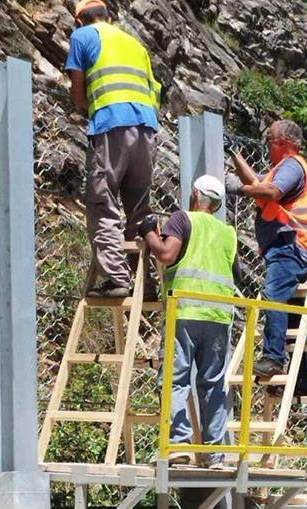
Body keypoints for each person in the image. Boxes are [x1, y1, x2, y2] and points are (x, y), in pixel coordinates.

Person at [138, 176, 237, 468]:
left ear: (195, 194)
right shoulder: (227, 233)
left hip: (185, 311)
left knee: (175, 379)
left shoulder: (183, 219)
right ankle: (214, 455)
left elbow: (167, 254)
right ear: (217, 204)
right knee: (213, 384)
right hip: (219, 315)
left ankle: (179, 445)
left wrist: (149, 234)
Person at [66, 0, 161, 297]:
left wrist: (87, 107)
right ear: (108, 16)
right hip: (146, 128)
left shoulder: (83, 36)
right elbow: (154, 89)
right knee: (139, 208)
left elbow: (78, 90)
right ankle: (146, 283)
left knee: (102, 201)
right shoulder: (134, 44)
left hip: (110, 125)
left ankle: (118, 278)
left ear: (80, 20)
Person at [225, 120, 307, 377]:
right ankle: (300, 379)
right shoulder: (282, 168)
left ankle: (273, 358)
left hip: (291, 245)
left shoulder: (292, 165)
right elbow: (260, 184)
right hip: (292, 246)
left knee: (274, 294)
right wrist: (235, 155)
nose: (266, 143)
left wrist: (238, 189)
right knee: (290, 316)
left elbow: (270, 192)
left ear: (284, 143)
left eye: (270, 139)